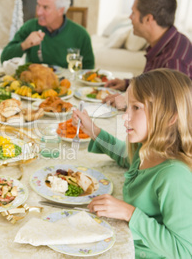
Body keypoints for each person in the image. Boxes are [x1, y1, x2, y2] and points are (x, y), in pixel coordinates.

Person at [72, 69, 192, 258]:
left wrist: (130, 213)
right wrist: (93, 130)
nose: (124, 116)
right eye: (127, 107)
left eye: (136, 108)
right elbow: (123, 155)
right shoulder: (146, 149)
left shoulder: (175, 176)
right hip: (124, 238)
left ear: (170, 116)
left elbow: (185, 250)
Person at [104, 0, 192, 108]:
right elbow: (157, 87)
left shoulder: (174, 60)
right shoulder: (166, 41)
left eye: (133, 13)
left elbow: (173, 109)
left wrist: (130, 101)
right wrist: (128, 83)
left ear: (148, 19)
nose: (130, 17)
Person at [0, 0, 94, 69]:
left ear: (60, 10)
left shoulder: (81, 35)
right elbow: (4, 59)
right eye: (38, 5)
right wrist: (25, 44)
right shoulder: (30, 26)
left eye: (45, 7)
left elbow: (88, 70)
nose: (39, 12)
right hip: (34, 85)